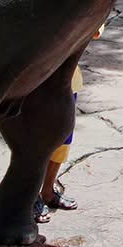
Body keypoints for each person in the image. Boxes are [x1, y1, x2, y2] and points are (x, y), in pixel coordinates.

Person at [34, 62, 82, 223]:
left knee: (63, 141)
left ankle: (48, 191)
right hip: (36, 83)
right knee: (33, 143)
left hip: (68, 80)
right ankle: (30, 197)